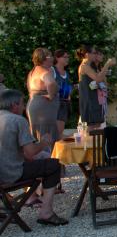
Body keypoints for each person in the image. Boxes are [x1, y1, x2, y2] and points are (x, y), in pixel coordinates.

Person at [0, 89, 68, 225]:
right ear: (14, 105)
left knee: (39, 162)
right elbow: (30, 152)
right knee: (53, 165)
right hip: (10, 174)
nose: (24, 107)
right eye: (22, 104)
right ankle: (46, 213)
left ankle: (32, 198)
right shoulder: (17, 120)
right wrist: (43, 142)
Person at [26, 48, 60, 143]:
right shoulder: (45, 72)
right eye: (50, 56)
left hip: (33, 104)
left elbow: (29, 89)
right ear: (44, 58)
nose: (52, 58)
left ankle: (39, 156)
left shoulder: (32, 72)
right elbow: (51, 83)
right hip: (44, 108)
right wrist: (51, 96)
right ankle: (48, 156)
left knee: (37, 134)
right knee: (47, 134)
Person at [77, 46, 115, 128]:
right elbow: (98, 79)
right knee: (92, 128)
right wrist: (107, 64)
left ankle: (92, 141)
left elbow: (95, 83)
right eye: (94, 53)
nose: (96, 55)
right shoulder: (84, 66)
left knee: (97, 125)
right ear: (87, 55)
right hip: (89, 100)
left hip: (93, 98)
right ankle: (89, 141)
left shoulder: (89, 66)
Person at [52, 49, 73, 143]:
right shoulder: (52, 70)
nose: (67, 59)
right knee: (58, 132)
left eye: (68, 57)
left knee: (60, 130)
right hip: (56, 103)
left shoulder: (66, 73)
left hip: (65, 103)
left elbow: (67, 88)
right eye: (65, 57)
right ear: (57, 58)